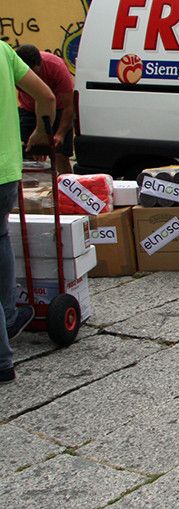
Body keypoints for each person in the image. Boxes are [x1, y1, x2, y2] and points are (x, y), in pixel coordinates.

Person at [2, 40, 57, 383]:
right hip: (8, 172)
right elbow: (47, 97)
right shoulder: (5, 52)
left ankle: (3, 354)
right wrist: (41, 129)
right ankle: (9, 314)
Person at [16, 45, 75, 175]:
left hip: (59, 109)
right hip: (29, 110)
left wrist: (60, 134)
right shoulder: (13, 68)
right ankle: (29, 190)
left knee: (60, 155)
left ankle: (67, 187)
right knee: (28, 154)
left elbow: (68, 106)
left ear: (40, 64)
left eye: (34, 72)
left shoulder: (56, 67)